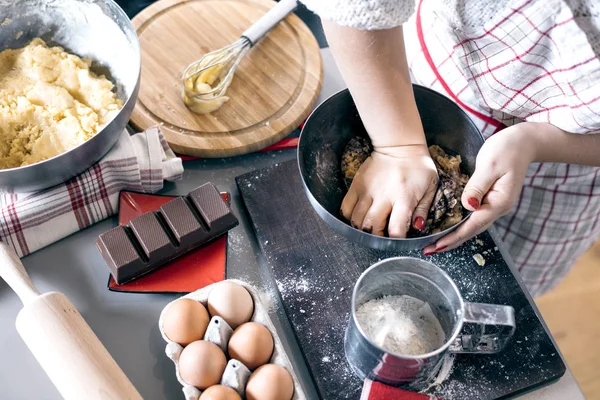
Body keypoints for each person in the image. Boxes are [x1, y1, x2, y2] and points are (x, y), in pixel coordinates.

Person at [299, 0, 600, 297]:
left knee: (496, 283)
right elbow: (351, 7)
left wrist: (534, 142)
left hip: (565, 161)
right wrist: (397, 145)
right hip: (401, 82)